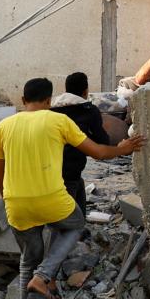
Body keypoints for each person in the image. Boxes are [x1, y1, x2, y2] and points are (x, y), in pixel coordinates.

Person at [0, 78, 145, 299]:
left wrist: (10, 199)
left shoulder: (4, 125)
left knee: (27, 263)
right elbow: (98, 152)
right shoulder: (57, 121)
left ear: (23, 98)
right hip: (52, 200)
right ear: (49, 101)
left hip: (16, 205)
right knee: (75, 224)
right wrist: (122, 148)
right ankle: (45, 275)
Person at [50, 72, 110, 214]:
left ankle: (79, 223)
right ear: (85, 91)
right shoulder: (88, 110)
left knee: (77, 187)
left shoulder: (50, 109)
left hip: (49, 167)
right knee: (67, 215)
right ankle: (72, 229)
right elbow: (102, 141)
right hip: (70, 168)